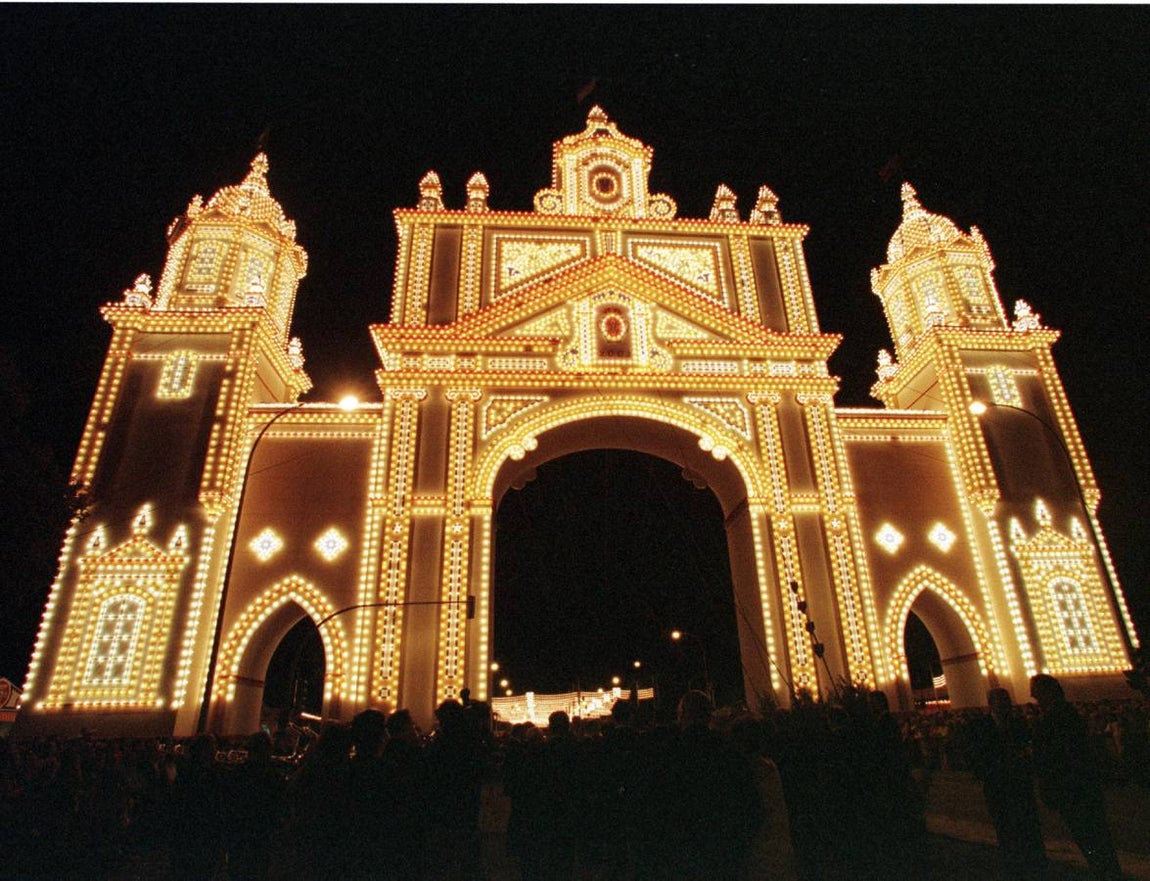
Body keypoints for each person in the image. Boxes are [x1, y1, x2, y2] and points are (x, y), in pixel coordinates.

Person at [1030, 674, 1122, 880]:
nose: (1032, 695)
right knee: (1094, 837)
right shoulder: (1063, 713)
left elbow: (1060, 754)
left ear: (1048, 692)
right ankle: (1107, 872)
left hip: (1074, 789)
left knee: (1091, 836)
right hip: (1077, 787)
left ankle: (1107, 873)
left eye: (1035, 690)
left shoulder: (1059, 716)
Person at [967, 688, 1048, 881]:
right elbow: (975, 755)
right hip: (997, 787)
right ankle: (1013, 868)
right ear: (991, 704)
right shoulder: (980, 727)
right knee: (1005, 829)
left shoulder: (1019, 724)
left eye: (1007, 700)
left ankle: (1036, 867)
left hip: (1020, 786)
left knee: (1028, 826)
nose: (1006, 704)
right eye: (1001, 701)